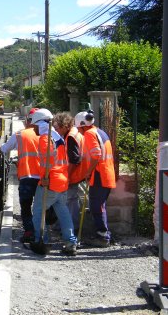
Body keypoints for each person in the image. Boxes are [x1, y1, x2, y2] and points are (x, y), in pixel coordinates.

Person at [29, 108, 78, 256]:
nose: (34, 129)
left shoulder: (46, 137)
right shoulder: (58, 136)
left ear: (39, 124)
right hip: (62, 182)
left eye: (35, 126)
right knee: (63, 213)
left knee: (37, 211)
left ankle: (40, 240)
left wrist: (45, 178)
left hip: (50, 183)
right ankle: (70, 243)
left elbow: (47, 160)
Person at [0, 108, 40, 242]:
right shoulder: (49, 134)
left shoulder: (19, 134)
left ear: (28, 121)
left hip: (27, 176)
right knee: (41, 207)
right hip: (44, 178)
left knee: (26, 205)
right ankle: (41, 233)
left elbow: (4, 148)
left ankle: (29, 232)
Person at [75, 110, 116, 247]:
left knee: (96, 206)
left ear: (82, 125)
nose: (79, 132)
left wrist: (88, 172)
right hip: (106, 173)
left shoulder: (89, 133)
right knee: (99, 206)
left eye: (78, 128)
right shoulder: (100, 132)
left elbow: (96, 154)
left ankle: (102, 236)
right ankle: (103, 234)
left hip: (99, 174)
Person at [52, 112, 87, 230]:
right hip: (78, 174)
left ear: (65, 125)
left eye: (57, 128)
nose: (56, 131)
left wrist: (67, 176)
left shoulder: (71, 137)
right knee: (72, 201)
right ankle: (70, 227)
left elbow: (74, 160)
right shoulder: (75, 133)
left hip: (73, 175)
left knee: (69, 201)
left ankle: (70, 228)